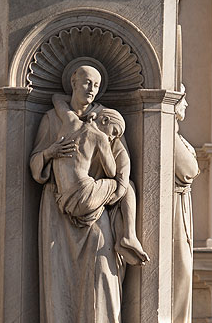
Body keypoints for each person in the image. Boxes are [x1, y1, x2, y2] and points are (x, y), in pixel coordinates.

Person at [30, 65, 143, 323]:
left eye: (96, 84)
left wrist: (116, 188)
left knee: (102, 270)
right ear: (73, 82)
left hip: (96, 207)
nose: (91, 89)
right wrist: (50, 152)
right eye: (87, 82)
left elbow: (121, 164)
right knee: (61, 275)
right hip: (57, 209)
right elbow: (34, 164)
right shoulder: (52, 120)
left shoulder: (107, 122)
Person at [52, 93, 149, 264]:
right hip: (84, 195)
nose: (113, 138)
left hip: (65, 199)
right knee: (127, 186)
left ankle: (127, 236)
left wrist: (76, 98)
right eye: (114, 132)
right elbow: (111, 171)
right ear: (104, 121)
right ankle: (129, 235)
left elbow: (57, 99)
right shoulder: (100, 137)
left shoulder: (71, 122)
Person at [173, 84, 200, 323]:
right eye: (183, 98)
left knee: (182, 269)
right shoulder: (169, 132)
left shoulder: (175, 134)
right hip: (172, 212)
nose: (187, 105)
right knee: (178, 267)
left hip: (180, 208)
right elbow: (188, 169)